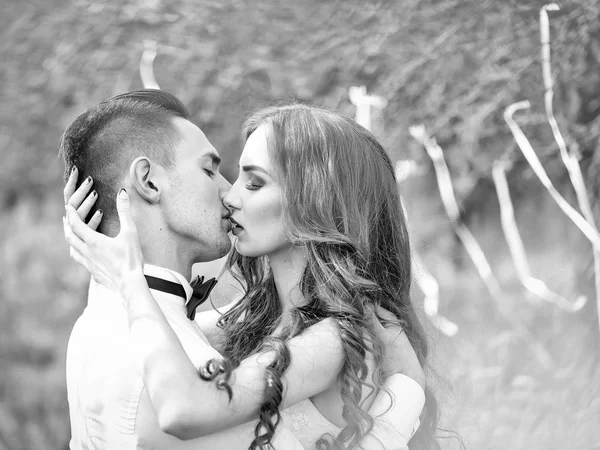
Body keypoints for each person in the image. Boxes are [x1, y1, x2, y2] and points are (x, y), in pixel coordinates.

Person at [60, 91, 429, 450]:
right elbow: (181, 319)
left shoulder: (335, 336)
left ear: (315, 201)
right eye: (215, 171)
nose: (230, 197)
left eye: (254, 183)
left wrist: (408, 389)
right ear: (148, 181)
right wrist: (101, 238)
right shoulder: (246, 318)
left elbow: (187, 403)